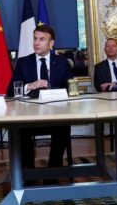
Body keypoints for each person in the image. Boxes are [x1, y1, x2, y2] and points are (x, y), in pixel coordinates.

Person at [6, 24, 73, 169]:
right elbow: (10, 91)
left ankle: (53, 173)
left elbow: (71, 89)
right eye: (35, 38)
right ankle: (29, 174)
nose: (36, 43)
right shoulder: (23, 62)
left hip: (56, 115)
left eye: (42, 39)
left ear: (51, 43)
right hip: (28, 117)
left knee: (64, 128)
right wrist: (29, 86)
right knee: (20, 131)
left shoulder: (62, 63)